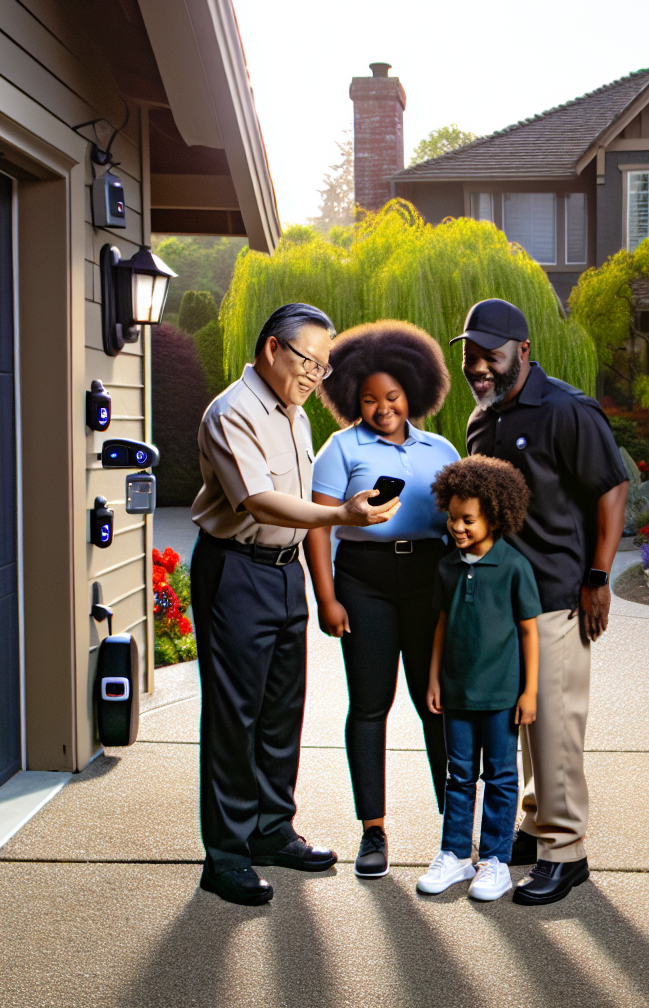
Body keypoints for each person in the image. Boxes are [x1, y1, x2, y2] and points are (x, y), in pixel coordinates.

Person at [189, 302, 398, 907]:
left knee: (282, 710)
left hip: (284, 575)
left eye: (325, 366)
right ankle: (225, 858)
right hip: (234, 572)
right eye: (310, 360)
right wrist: (339, 514)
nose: (316, 375)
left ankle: (271, 832)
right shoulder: (232, 412)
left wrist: (316, 574)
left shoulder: (296, 415)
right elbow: (257, 501)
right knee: (236, 717)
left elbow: (298, 503)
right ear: (273, 349)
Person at [455, 298, 629, 906]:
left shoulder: (566, 411)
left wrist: (599, 575)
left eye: (491, 355)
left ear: (523, 352)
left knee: (555, 726)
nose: (479, 366)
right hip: (505, 601)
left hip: (558, 594)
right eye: (472, 356)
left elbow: (611, 490)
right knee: (523, 722)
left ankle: (566, 852)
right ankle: (534, 825)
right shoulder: (481, 421)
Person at [304, 321, 460, 880]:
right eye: (369, 399)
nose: (382, 408)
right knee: (370, 707)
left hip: (427, 579)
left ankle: (456, 826)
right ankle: (373, 830)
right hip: (362, 581)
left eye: (391, 396)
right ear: (352, 398)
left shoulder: (441, 449)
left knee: (435, 704)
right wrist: (327, 598)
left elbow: (461, 523)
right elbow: (319, 527)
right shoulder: (340, 448)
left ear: (412, 392)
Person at [416, 455, 540, 901]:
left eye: (467, 519)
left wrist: (529, 691)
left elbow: (529, 630)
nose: (457, 527)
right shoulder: (448, 567)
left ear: (494, 515)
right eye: (452, 519)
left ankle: (495, 861)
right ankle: (454, 855)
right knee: (459, 773)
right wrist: (433, 680)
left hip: (503, 695)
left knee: (502, 776)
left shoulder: (513, 567)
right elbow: (443, 626)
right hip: (456, 692)